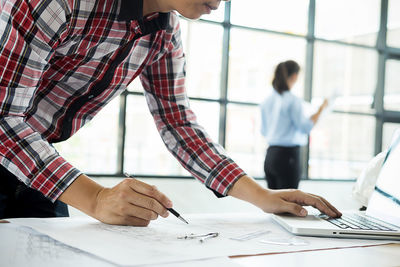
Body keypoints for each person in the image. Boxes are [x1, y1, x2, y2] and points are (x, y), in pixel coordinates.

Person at [0, 0, 341, 225]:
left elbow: (179, 124)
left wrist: (261, 195)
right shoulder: (59, 3)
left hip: (31, 162)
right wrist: (97, 198)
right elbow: (4, 119)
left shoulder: (164, 32)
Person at [260, 60, 328, 190]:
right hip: (287, 157)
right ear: (295, 76)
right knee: (289, 204)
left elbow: (263, 131)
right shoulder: (293, 101)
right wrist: (321, 110)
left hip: (270, 156)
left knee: (273, 204)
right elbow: (305, 127)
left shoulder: (266, 101)